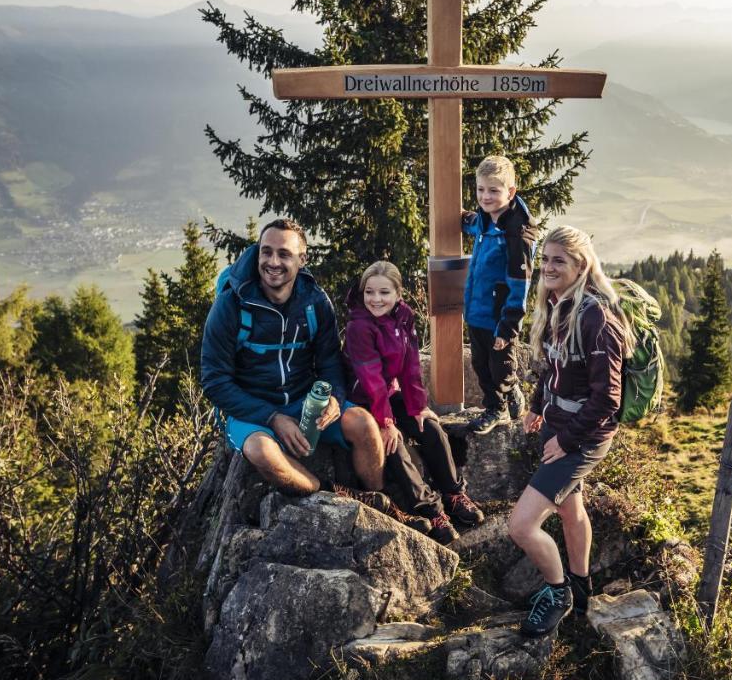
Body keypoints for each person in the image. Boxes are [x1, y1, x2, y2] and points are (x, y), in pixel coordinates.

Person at [200, 219, 425, 530]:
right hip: (251, 409)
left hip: (306, 401)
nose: (273, 262)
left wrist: (335, 397)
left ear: (301, 259)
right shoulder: (232, 304)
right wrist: (272, 417)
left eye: (284, 254)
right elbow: (214, 380)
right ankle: (333, 492)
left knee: (364, 425)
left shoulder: (314, 302)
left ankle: (379, 505)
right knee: (260, 452)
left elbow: (331, 362)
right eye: (266, 252)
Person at [508, 225, 635, 637]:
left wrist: (566, 441)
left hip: (583, 437)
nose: (547, 267)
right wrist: (534, 407)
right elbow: (553, 367)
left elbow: (607, 400)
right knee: (569, 508)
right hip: (559, 426)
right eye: (544, 259)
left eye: (558, 260)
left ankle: (557, 592)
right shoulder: (557, 305)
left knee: (521, 526)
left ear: (581, 265)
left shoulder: (597, 317)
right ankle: (581, 591)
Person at [344, 261, 487, 545]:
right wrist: (387, 423)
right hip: (363, 400)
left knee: (431, 427)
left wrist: (417, 406)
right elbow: (370, 379)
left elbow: (410, 367)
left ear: (398, 294)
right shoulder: (358, 327)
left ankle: (453, 493)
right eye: (369, 292)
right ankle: (430, 510)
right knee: (393, 445)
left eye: (384, 292)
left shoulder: (404, 317)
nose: (375, 299)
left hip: (389, 392)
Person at [461, 155, 536, 433]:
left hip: (499, 317)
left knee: (500, 366)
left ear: (511, 192)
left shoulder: (517, 235)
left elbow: (520, 285)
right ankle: (510, 394)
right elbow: (475, 224)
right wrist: (463, 218)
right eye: (481, 190)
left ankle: (497, 408)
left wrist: (507, 327)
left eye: (494, 190)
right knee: (481, 364)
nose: (485, 196)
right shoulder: (485, 220)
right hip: (477, 312)